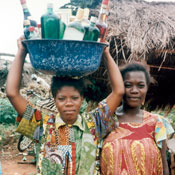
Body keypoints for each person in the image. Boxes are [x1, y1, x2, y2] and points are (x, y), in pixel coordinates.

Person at [6, 36, 124, 175]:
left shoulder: (95, 123)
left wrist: (106, 54)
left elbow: (119, 91)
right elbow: (12, 93)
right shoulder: (42, 125)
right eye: (62, 98)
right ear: (54, 100)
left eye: (74, 98)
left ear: (82, 99)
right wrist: (21, 52)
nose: (69, 103)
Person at [100, 62, 174, 175]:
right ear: (119, 87)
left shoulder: (157, 123)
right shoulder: (105, 120)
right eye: (128, 85)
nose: (134, 90)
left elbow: (164, 167)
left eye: (140, 85)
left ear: (147, 88)